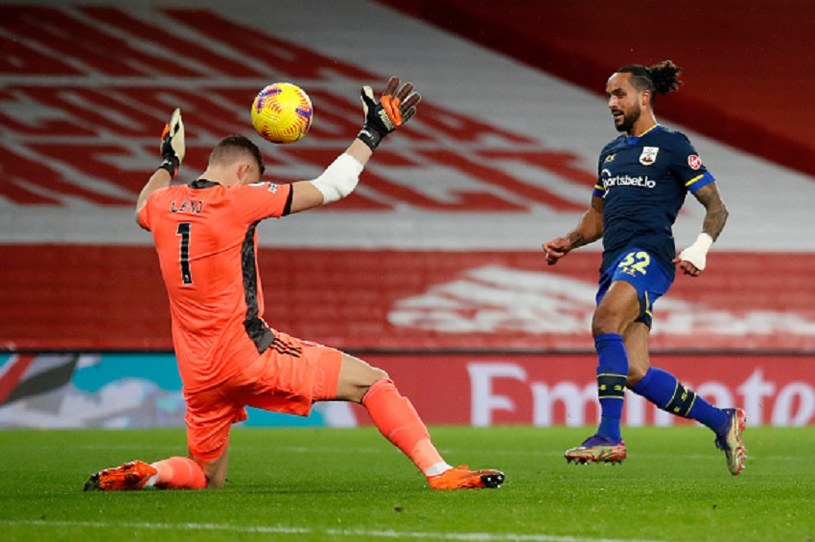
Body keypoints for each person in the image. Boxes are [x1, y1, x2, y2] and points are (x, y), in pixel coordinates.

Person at [84, 77, 504, 491]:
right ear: (243, 170)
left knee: (206, 476)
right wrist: (372, 131)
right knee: (372, 381)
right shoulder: (236, 199)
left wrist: (167, 162)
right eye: (252, 179)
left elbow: (141, 204)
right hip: (247, 353)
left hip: (197, 371)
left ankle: (153, 473)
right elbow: (333, 186)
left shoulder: (163, 204)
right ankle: (439, 472)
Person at [542, 61, 746, 475]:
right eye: (608, 96)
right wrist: (569, 240)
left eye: (619, 95)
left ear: (644, 97)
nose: (612, 103)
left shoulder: (672, 144)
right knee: (633, 370)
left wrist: (700, 247)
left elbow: (716, 207)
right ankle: (722, 420)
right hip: (614, 260)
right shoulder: (611, 153)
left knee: (604, 322)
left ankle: (609, 436)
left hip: (648, 254)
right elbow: (596, 218)